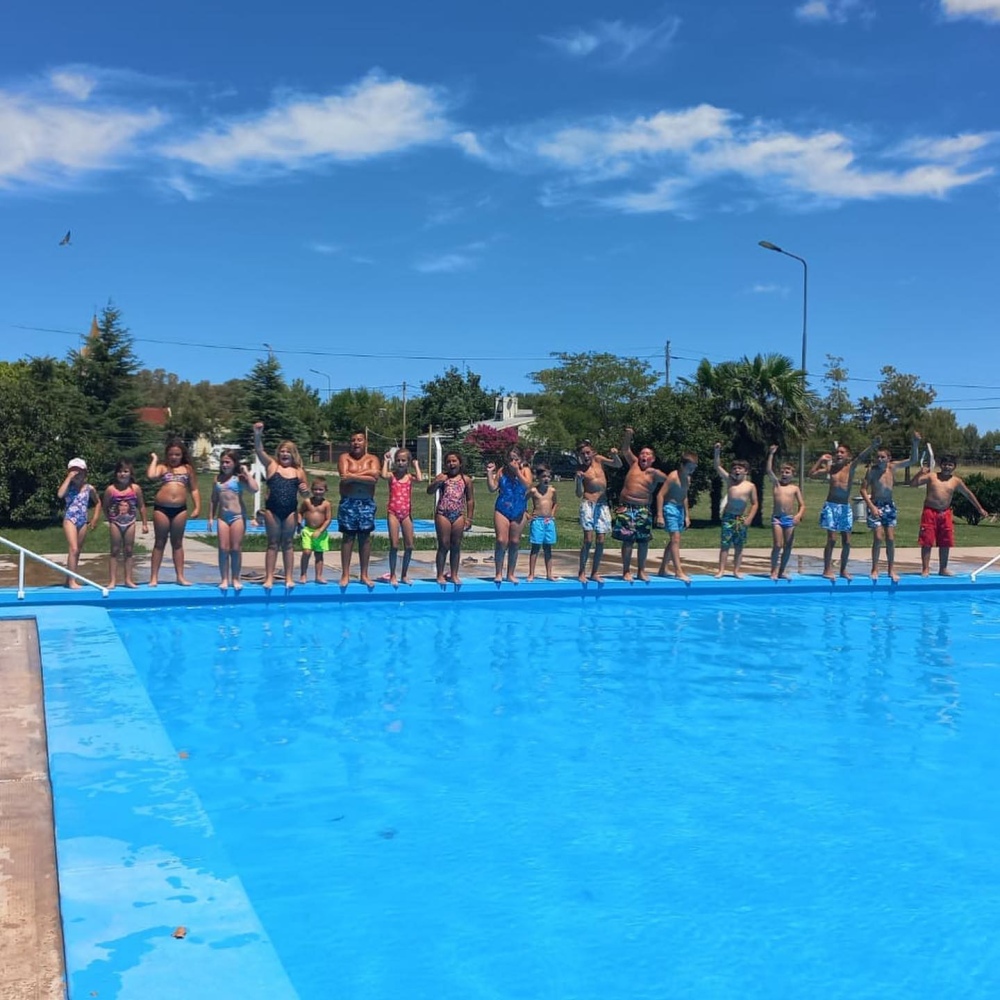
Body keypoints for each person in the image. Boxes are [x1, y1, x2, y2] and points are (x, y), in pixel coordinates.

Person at [808, 439, 877, 581]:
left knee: (847, 541)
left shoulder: (850, 467)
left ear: (848, 456)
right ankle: (827, 569)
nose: (838, 454)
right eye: (837, 452)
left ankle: (843, 569)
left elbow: (861, 457)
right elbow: (811, 474)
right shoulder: (830, 468)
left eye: (842, 452)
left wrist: (873, 446)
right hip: (831, 506)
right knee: (832, 539)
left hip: (845, 508)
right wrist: (820, 459)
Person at [911, 452, 988, 576]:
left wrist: (980, 509)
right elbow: (913, 484)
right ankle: (925, 568)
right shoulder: (932, 476)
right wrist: (920, 473)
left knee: (945, 541)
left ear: (954, 467)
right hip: (930, 512)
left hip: (945, 513)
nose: (947, 467)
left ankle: (943, 568)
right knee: (927, 541)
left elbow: (968, 494)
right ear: (940, 465)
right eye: (945, 464)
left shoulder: (956, 481)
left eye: (950, 465)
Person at [859, 432, 920, 582]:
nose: (879, 459)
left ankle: (891, 568)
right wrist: (871, 507)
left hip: (889, 505)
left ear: (888, 458)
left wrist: (915, 443)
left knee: (891, 539)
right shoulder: (872, 471)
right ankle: (874, 568)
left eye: (882, 457)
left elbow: (913, 460)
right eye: (878, 457)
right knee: (878, 537)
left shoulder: (892, 468)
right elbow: (862, 490)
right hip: (876, 505)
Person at [253, 423, 308, 589]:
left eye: (288, 451)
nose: (284, 454)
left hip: (290, 511)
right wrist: (257, 435)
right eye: (282, 451)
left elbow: (305, 495)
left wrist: (306, 491)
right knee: (272, 543)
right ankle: (269, 577)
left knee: (288, 543)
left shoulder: (298, 471)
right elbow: (259, 451)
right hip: (272, 511)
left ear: (293, 454)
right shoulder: (272, 465)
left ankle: (289, 577)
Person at [613, 427, 668, 583]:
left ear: (653, 459)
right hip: (626, 508)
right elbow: (625, 449)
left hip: (642, 509)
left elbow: (670, 482)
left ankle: (641, 571)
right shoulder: (634, 463)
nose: (644, 456)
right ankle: (626, 571)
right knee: (627, 540)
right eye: (642, 453)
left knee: (643, 541)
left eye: (647, 454)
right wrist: (628, 435)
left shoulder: (655, 473)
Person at [147, 439, 200, 587]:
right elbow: (151, 475)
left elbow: (194, 489)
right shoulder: (163, 468)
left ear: (182, 455)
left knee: (177, 543)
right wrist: (155, 460)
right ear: (167, 455)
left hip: (180, 510)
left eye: (177, 454)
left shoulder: (187, 469)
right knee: (159, 542)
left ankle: (180, 576)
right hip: (161, 509)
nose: (174, 457)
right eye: (171, 454)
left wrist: (197, 507)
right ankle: (154, 577)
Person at [208, 451, 258, 591]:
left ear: (234, 463)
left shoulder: (239, 479)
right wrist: (210, 517)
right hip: (223, 517)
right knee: (223, 549)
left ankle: (235, 578)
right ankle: (224, 579)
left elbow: (255, 489)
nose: (224, 465)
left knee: (235, 549)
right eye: (223, 462)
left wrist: (247, 473)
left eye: (228, 462)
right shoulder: (217, 478)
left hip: (237, 517)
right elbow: (213, 499)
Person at [337, 430, 381, 588]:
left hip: (367, 503)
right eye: (353, 440)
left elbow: (374, 479)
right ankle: (345, 574)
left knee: (365, 538)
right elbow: (344, 477)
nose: (356, 442)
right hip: (348, 502)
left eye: (359, 440)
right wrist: (368, 474)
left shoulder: (373, 459)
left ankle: (364, 574)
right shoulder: (344, 458)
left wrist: (354, 476)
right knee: (348, 538)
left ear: (365, 443)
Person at [574, 439, 622, 584]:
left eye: (588, 453)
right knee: (588, 540)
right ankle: (581, 572)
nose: (586, 456)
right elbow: (578, 493)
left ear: (593, 452)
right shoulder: (580, 469)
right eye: (582, 454)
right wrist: (578, 481)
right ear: (579, 456)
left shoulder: (599, 460)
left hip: (602, 505)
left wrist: (615, 456)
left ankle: (594, 572)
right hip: (588, 504)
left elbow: (618, 464)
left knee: (600, 540)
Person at [98, 459, 148, 589]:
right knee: (114, 550)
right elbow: (105, 505)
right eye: (120, 471)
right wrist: (109, 518)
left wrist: (144, 523)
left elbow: (142, 506)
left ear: (130, 473)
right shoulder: (111, 490)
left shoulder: (135, 489)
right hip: (115, 522)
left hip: (130, 522)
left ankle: (128, 579)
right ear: (116, 474)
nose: (122, 474)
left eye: (125, 471)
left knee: (129, 550)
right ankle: (112, 581)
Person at [486, 446, 532, 584]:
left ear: (521, 459)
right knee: (501, 540)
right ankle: (498, 572)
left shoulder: (525, 470)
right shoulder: (502, 471)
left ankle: (510, 573)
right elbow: (492, 488)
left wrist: (517, 472)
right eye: (510, 459)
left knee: (515, 542)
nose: (513, 462)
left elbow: (528, 486)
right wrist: (489, 473)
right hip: (502, 508)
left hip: (519, 510)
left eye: (516, 459)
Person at [711, 445, 759, 579]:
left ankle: (736, 571)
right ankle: (721, 570)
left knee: (739, 546)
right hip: (728, 517)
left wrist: (749, 518)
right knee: (725, 545)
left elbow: (755, 504)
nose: (737, 470)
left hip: (741, 518)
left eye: (740, 468)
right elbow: (717, 466)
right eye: (735, 468)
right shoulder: (729, 481)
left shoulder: (750, 486)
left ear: (746, 472)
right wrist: (717, 452)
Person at [428, 451, 475, 586]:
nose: (451, 464)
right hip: (443, 513)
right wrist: (437, 482)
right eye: (448, 461)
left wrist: (469, 518)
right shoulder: (443, 478)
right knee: (444, 544)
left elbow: (470, 500)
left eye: (454, 461)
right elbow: (429, 491)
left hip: (458, 514)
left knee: (456, 545)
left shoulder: (466, 480)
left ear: (460, 463)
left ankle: (454, 574)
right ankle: (439, 574)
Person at [381, 448, 423, 586]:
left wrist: (416, 465)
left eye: (403, 460)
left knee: (409, 546)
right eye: (398, 460)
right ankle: (393, 574)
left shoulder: (410, 477)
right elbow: (383, 474)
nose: (400, 463)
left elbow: (420, 479)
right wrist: (386, 461)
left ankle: (404, 575)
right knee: (394, 545)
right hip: (393, 512)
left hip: (406, 514)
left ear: (408, 462)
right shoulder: (392, 476)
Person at [656, 451, 698, 583]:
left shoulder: (688, 478)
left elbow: (684, 496)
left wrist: (687, 515)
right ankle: (678, 571)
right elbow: (660, 495)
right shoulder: (673, 477)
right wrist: (660, 515)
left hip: (680, 509)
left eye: (693, 468)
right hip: (670, 508)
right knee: (675, 538)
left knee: (674, 540)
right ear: (682, 465)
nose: (691, 470)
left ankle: (663, 569)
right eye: (689, 467)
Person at [58, 457, 99, 589]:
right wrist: (69, 478)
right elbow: (60, 494)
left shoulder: (89, 488)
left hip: (82, 520)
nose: (76, 475)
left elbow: (98, 502)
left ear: (85, 473)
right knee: (73, 548)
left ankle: (68, 579)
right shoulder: (68, 487)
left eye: (79, 472)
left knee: (77, 551)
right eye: (73, 472)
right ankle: (71, 581)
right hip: (70, 519)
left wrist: (95, 518)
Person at [766, 446, 806, 581]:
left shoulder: (794, 488)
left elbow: (802, 505)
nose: (784, 474)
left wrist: (799, 515)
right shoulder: (776, 484)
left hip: (789, 519)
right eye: (782, 471)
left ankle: (781, 571)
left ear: (792, 474)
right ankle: (773, 571)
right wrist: (771, 454)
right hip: (777, 518)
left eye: (787, 472)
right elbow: (769, 470)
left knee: (788, 546)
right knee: (778, 545)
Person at [527, 463, 559, 582]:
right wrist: (528, 515)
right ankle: (531, 574)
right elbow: (523, 501)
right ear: (538, 478)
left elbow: (555, 503)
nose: (546, 479)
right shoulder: (534, 490)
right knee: (535, 547)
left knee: (548, 548)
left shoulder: (552, 490)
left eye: (548, 476)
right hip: (537, 521)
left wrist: (552, 514)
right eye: (543, 476)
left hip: (548, 521)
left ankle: (549, 574)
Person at [298, 477, 332, 585]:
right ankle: (303, 574)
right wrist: (299, 523)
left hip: (320, 532)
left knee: (319, 554)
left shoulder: (326, 504)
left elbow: (328, 519)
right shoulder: (307, 502)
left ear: (325, 490)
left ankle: (319, 576)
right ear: (312, 490)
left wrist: (320, 530)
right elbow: (300, 512)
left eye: (321, 490)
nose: (318, 492)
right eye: (316, 489)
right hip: (308, 531)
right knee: (306, 552)